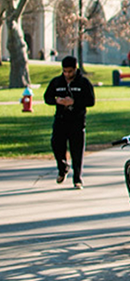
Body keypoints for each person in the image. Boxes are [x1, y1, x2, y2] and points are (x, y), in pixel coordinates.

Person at [43, 56, 95, 190]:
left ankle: (77, 178)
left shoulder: (83, 83)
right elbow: (47, 97)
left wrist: (74, 102)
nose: (67, 74)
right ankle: (62, 168)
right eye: (65, 71)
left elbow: (91, 101)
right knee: (56, 144)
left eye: (70, 71)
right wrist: (57, 101)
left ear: (75, 69)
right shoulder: (57, 82)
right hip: (61, 120)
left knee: (77, 151)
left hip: (77, 121)